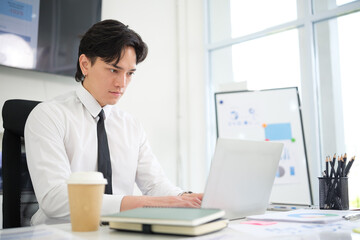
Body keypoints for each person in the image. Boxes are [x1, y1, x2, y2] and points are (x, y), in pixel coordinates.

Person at [24, 19, 203, 225]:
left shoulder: (130, 125)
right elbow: (55, 199)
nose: (122, 83)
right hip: (60, 234)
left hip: (118, 232)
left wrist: (184, 199)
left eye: (130, 73)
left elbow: (155, 185)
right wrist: (141, 204)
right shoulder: (48, 116)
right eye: (113, 70)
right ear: (85, 64)